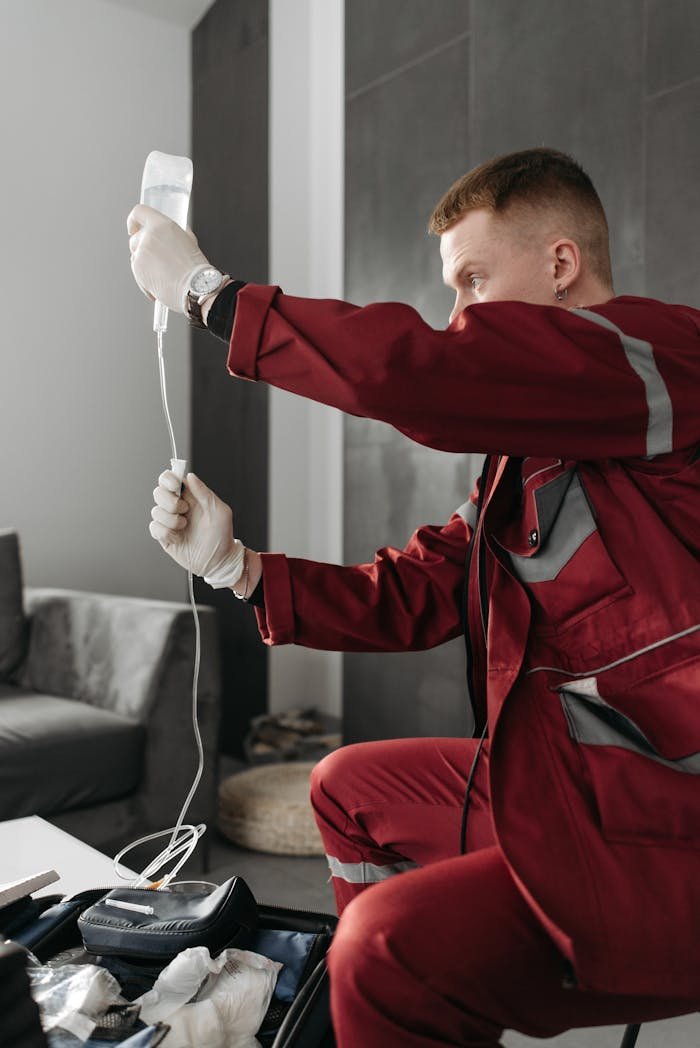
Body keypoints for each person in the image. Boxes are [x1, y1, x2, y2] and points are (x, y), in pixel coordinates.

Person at [128, 148, 700, 1047]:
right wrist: (234, 565)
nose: (458, 312)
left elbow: (427, 370)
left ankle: (391, 990)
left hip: (669, 811)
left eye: (473, 279)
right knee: (348, 786)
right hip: (574, 786)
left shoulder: (670, 356)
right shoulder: (520, 465)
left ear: (561, 262)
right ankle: (387, 1020)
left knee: (384, 947)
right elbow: (415, 594)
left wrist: (209, 293)